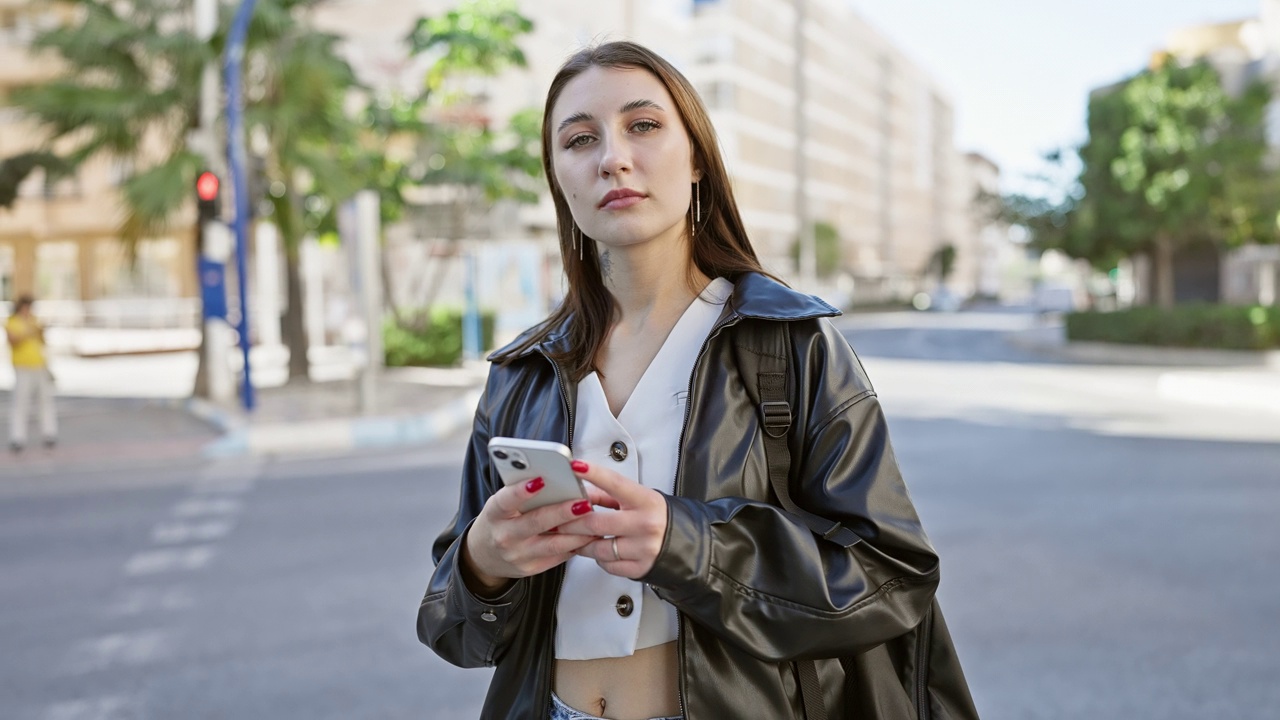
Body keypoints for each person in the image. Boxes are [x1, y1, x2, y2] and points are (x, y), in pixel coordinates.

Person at [418, 41, 971, 719]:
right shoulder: (523, 374)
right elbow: (458, 634)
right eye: (579, 139)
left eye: (643, 126)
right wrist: (482, 561)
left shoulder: (790, 344)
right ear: (559, 175)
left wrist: (688, 544)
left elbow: (894, 577)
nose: (612, 157)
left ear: (699, 158)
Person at [6, 294, 57, 452]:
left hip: (39, 365)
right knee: (21, 402)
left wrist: (41, 331)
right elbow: (13, 340)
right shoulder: (12, 322)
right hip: (23, 367)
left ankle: (49, 433)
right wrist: (28, 331)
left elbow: (42, 340)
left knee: (45, 400)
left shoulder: (35, 320)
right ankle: (17, 437)